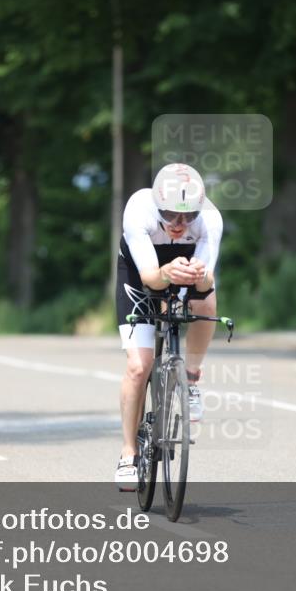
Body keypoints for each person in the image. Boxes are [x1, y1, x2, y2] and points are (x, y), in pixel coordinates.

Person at [114, 163, 222, 490]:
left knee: (207, 303)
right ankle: (128, 453)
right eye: (171, 214)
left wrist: (197, 278)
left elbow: (206, 282)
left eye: (188, 216)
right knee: (139, 367)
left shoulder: (210, 219)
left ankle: (191, 377)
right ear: (157, 205)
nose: (178, 224)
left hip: (186, 267)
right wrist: (166, 274)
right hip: (142, 272)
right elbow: (150, 278)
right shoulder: (139, 209)